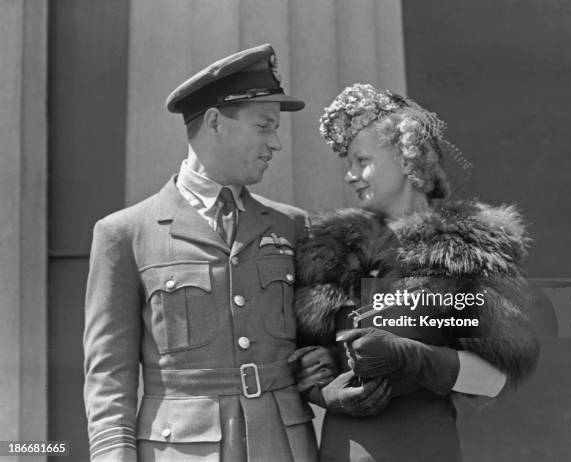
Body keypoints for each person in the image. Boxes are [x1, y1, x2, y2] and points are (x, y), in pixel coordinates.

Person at [83, 44, 330, 462]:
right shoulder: (125, 233)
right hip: (179, 449)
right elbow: (109, 375)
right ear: (215, 121)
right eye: (264, 126)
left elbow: (315, 349)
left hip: (283, 447)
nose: (276, 143)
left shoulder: (292, 226)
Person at [294, 83, 540, 461]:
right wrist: (321, 388)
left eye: (362, 161)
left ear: (406, 157)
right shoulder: (330, 250)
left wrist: (411, 357)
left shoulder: (466, 249)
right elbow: (303, 358)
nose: (350, 175)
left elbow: (496, 379)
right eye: (348, 164)